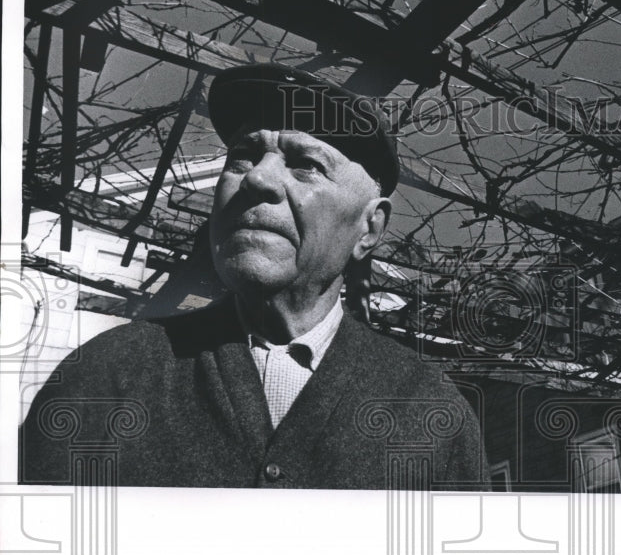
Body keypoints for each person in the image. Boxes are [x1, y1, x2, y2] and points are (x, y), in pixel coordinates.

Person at [20, 63, 486, 490]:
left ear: (369, 229)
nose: (256, 180)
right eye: (242, 157)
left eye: (306, 164)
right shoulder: (110, 372)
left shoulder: (431, 410)